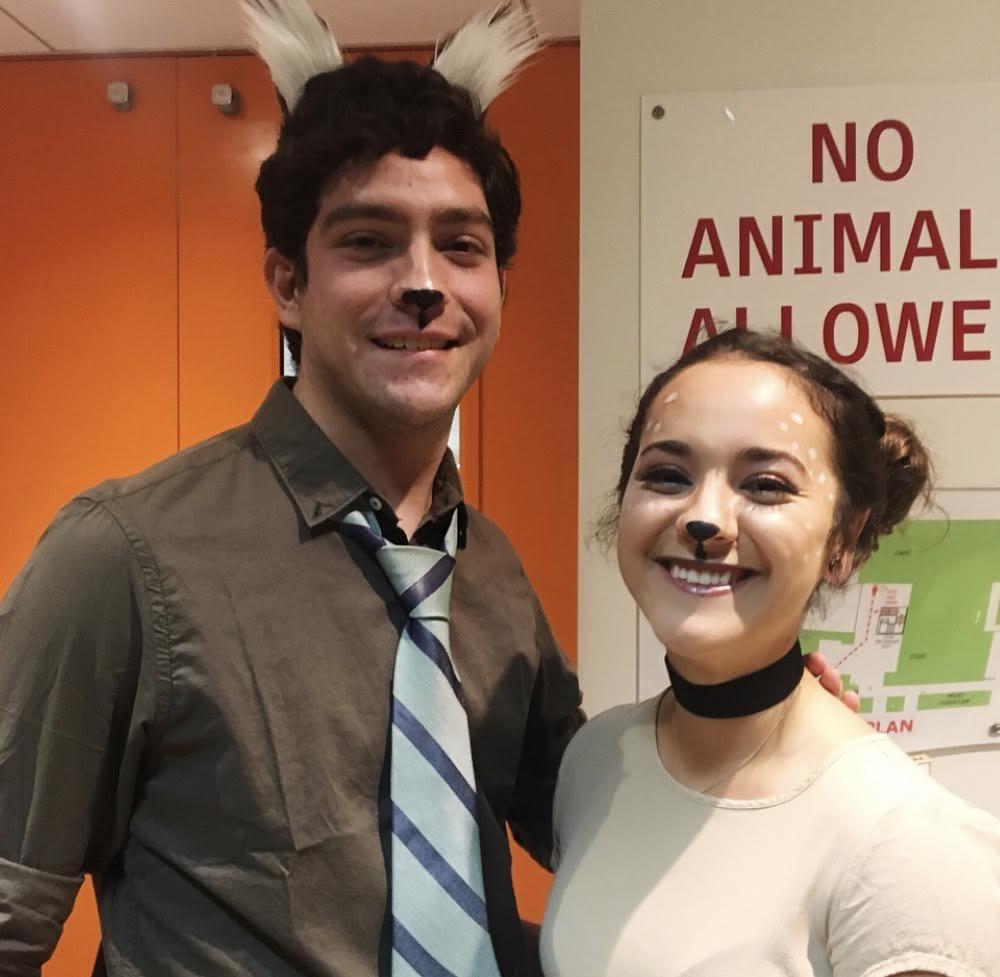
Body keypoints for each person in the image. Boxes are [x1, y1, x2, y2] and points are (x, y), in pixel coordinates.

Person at [0, 5, 850, 976]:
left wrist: (765, 715)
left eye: (461, 245)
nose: (422, 281)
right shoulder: (121, 558)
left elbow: (594, 812)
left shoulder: (486, 571)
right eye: (368, 241)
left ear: (496, 286)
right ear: (287, 280)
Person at [541, 328, 1000, 977]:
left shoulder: (904, 839)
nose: (704, 519)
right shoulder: (595, 760)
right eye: (668, 475)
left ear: (846, 537)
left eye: (764, 486)